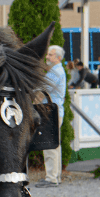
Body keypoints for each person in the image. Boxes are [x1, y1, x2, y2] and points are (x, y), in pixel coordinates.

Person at [36, 44, 66, 187]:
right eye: (48, 54)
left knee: (49, 145)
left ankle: (51, 178)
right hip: (55, 111)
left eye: (50, 55)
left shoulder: (55, 73)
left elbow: (43, 91)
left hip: (50, 112)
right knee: (55, 145)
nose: (47, 57)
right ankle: (55, 176)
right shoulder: (57, 71)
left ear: (58, 58)